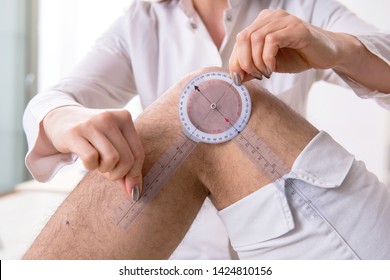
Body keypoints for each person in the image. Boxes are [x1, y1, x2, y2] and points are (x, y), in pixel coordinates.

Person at [23, 0, 390, 259]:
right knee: (193, 104)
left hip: (288, 235)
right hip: (180, 257)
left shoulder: (302, 8)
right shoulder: (142, 20)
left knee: (196, 99)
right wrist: (62, 117)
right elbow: (56, 98)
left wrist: (338, 47)